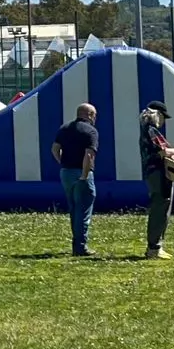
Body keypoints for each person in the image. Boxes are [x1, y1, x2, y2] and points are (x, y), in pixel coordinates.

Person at [137, 100, 174, 260]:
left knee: (160, 207)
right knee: (161, 208)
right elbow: (163, 151)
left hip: (152, 173)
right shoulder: (151, 130)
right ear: (156, 115)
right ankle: (154, 248)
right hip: (158, 173)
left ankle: (156, 246)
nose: (164, 121)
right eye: (163, 116)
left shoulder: (145, 130)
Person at [52, 104, 99, 257]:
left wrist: (62, 162)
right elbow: (89, 155)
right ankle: (80, 245)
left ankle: (76, 243)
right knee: (84, 209)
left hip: (66, 172)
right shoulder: (90, 131)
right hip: (81, 171)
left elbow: (54, 148)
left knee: (74, 208)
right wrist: (85, 174)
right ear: (90, 115)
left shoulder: (65, 128)